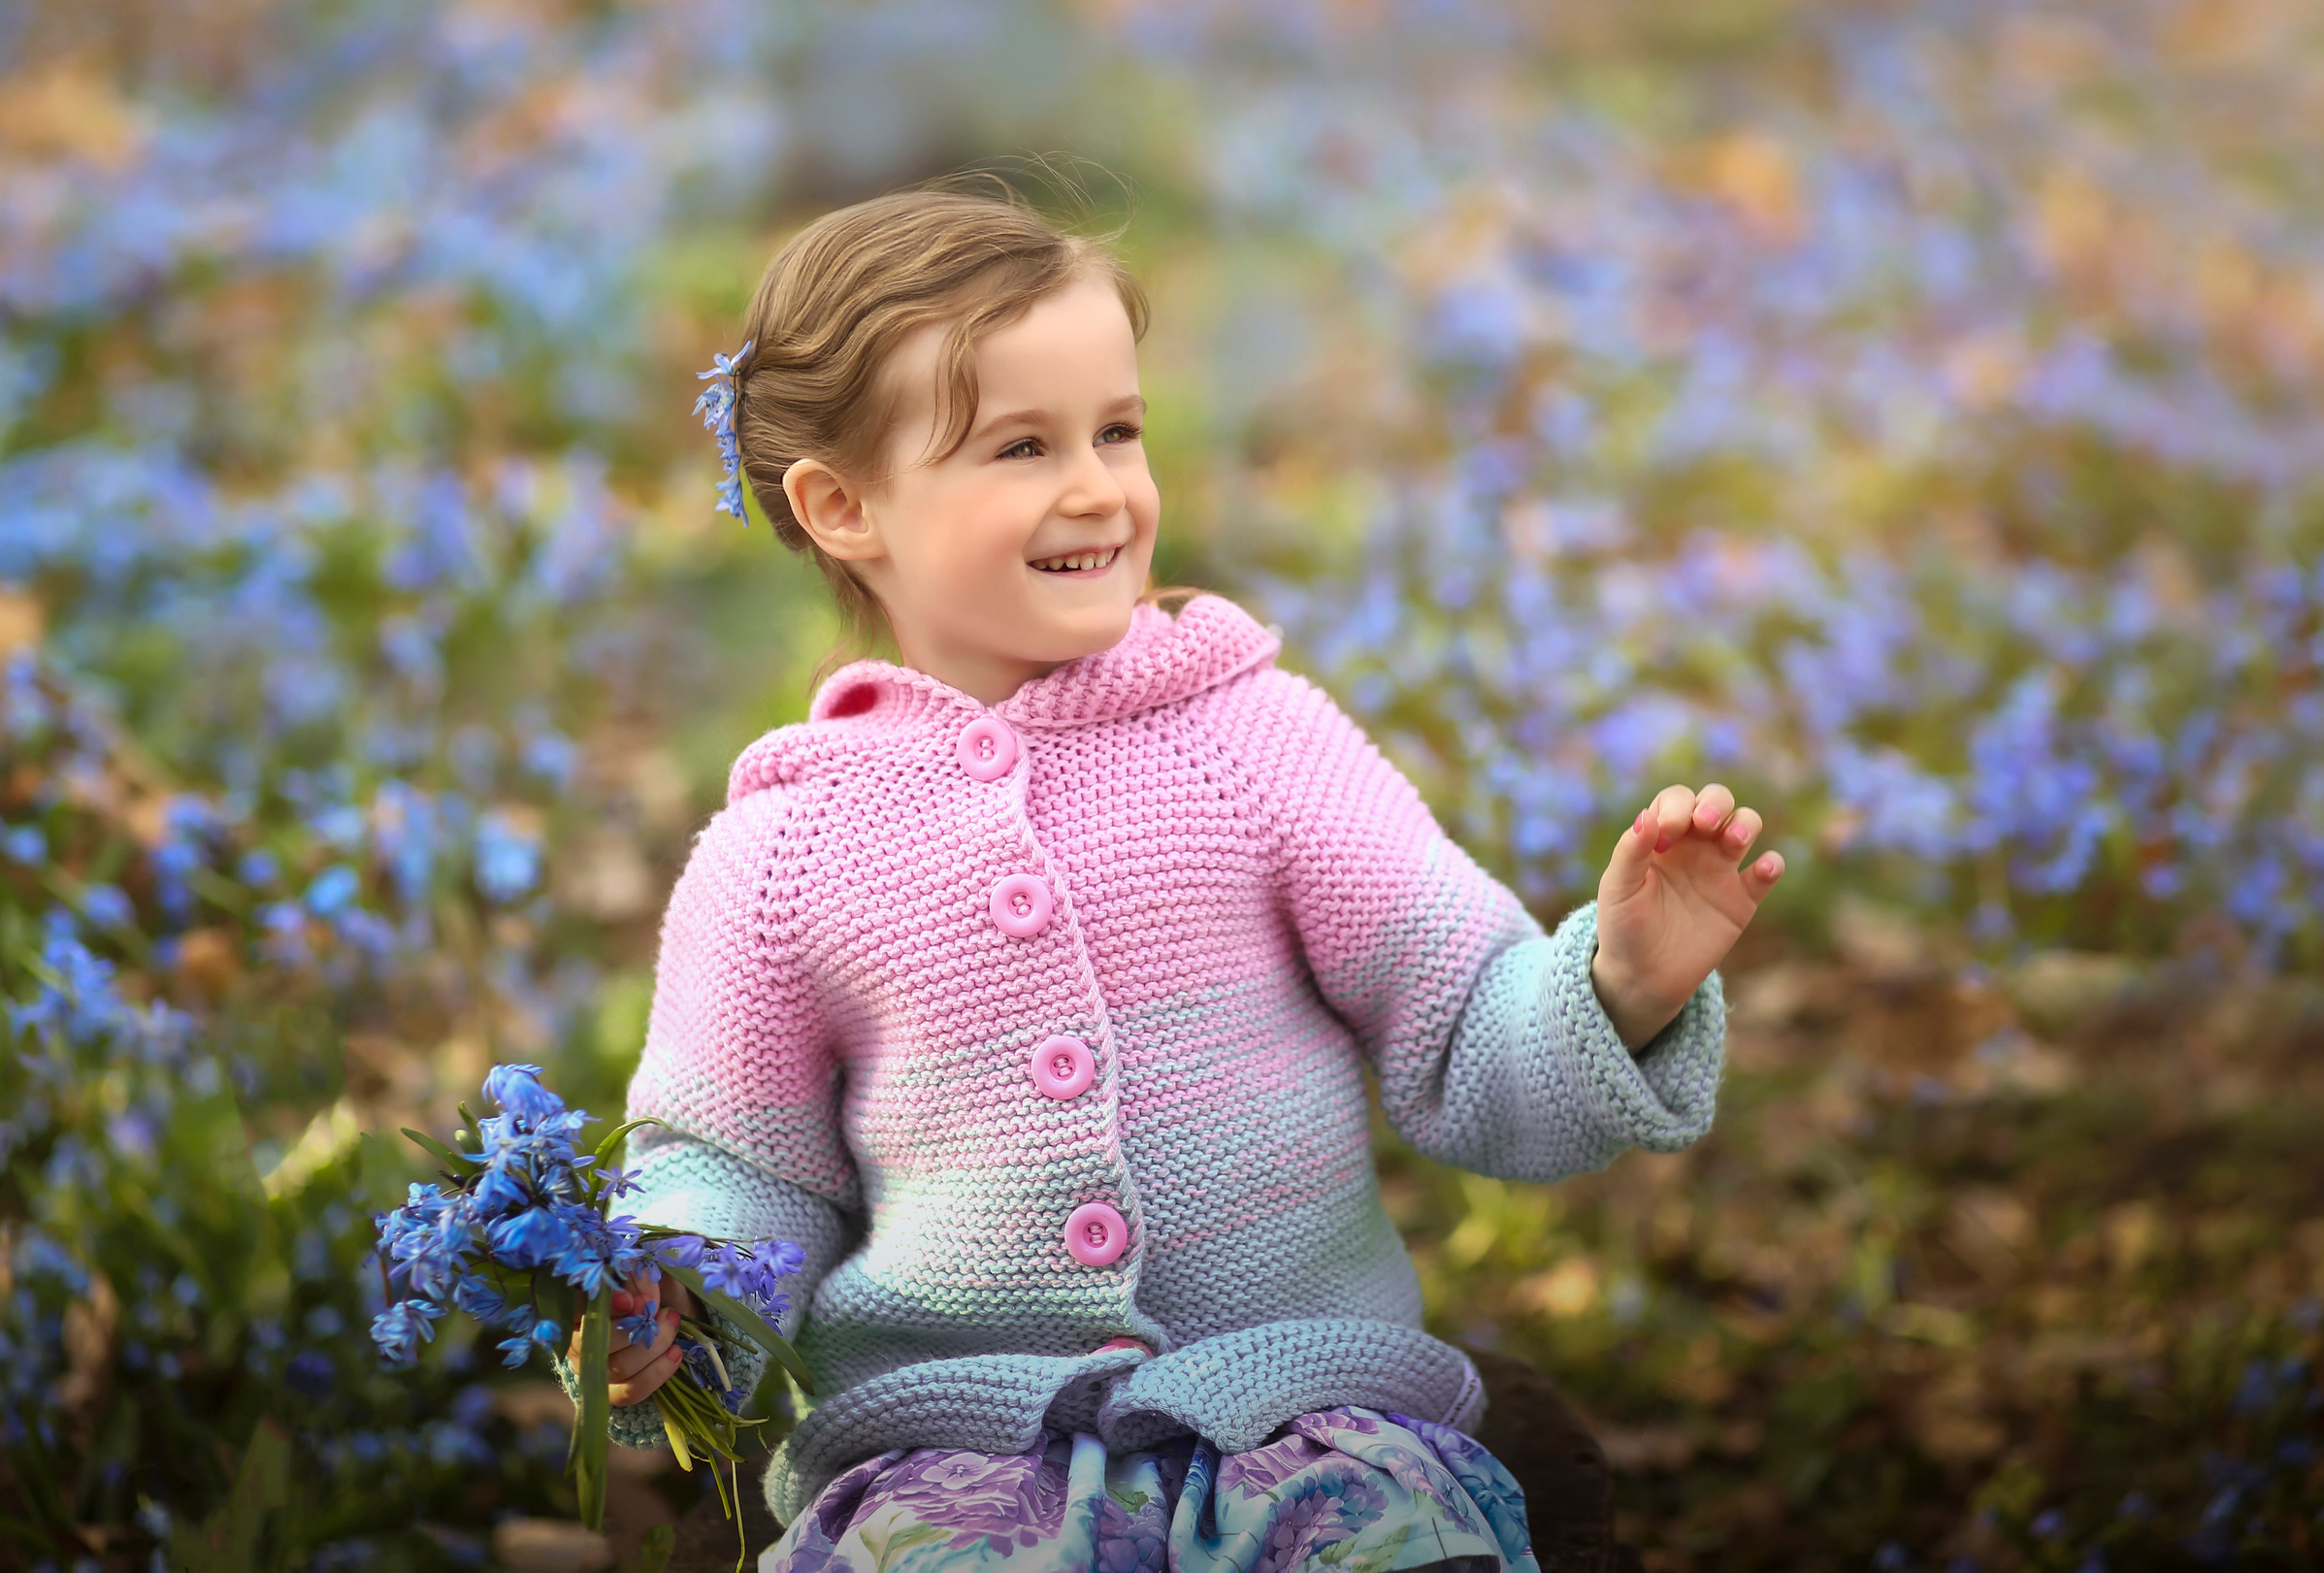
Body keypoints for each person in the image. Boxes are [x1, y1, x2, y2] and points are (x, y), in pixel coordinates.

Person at [572, 183, 1784, 1572]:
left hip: (1306, 1415)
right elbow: (737, 1168)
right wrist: (673, 1300)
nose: (1097, 486)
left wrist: (1617, 983)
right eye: (1020, 447)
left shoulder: (1249, 739)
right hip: (962, 1452)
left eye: (1119, 430)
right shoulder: (780, 857)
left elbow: (1457, 1018)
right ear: (844, 506)